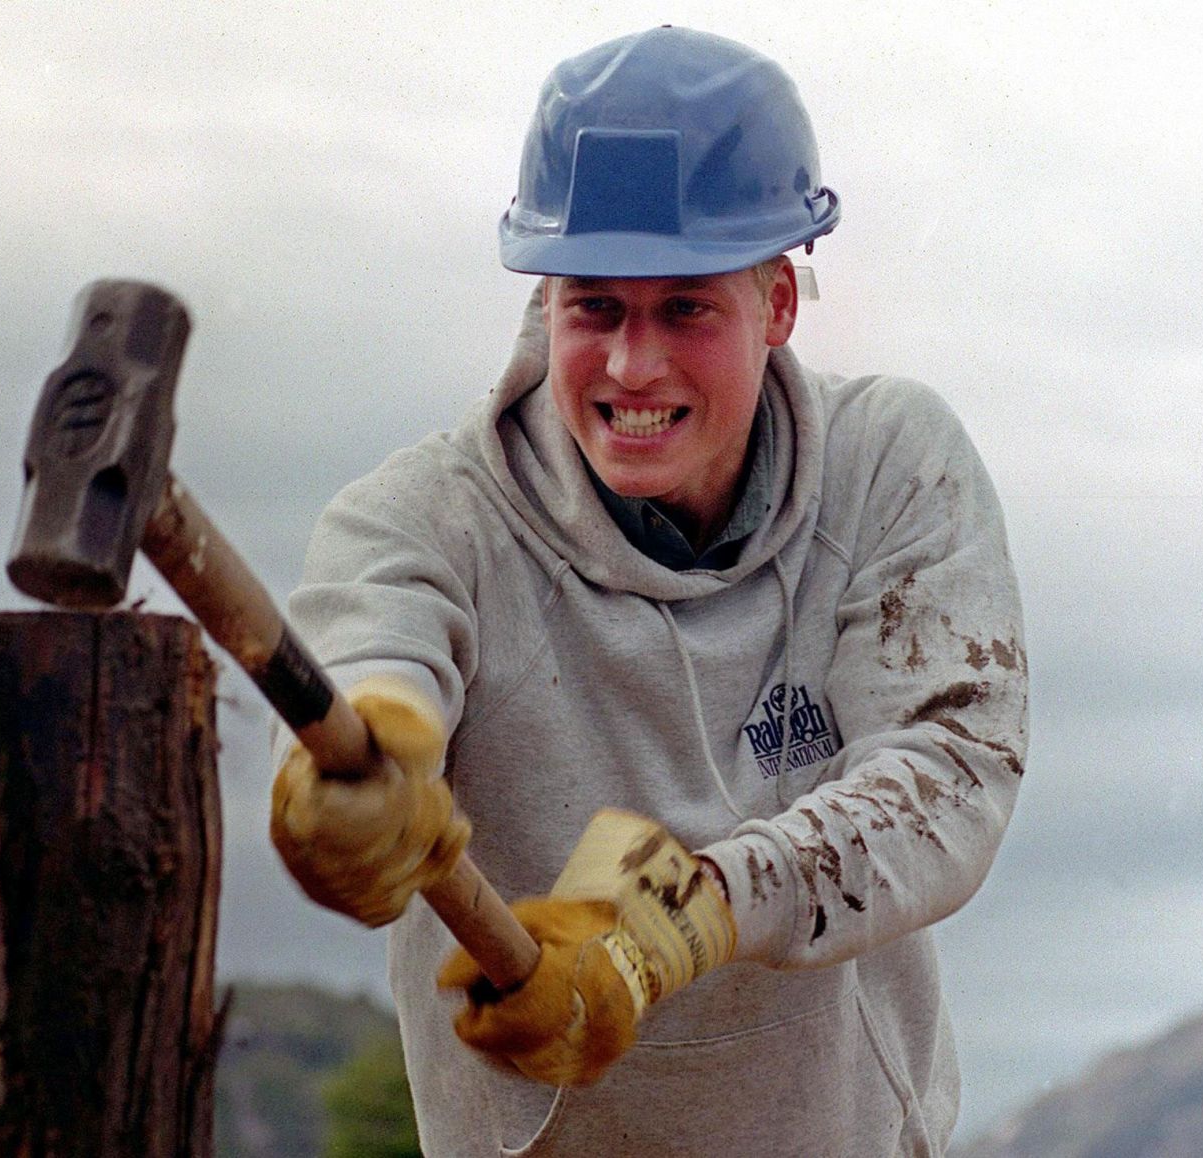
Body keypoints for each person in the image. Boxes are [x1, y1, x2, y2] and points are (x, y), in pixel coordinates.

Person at [270, 26, 1027, 1156]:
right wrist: (380, 744)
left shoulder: (889, 464)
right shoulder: (430, 516)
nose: (632, 365)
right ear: (543, 304)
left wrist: (685, 914)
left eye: (685, 309)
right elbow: (383, 644)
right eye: (594, 309)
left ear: (778, 304)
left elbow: (951, 772)